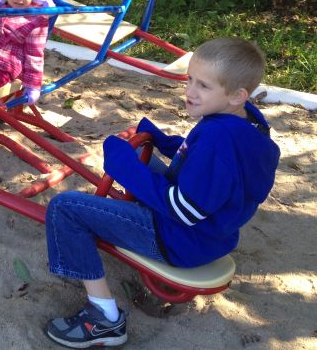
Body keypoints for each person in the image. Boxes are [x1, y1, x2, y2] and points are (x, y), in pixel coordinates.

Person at [43, 37, 280, 348]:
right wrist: (165, 142)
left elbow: (185, 210)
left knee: (65, 208)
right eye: (190, 79)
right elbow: (207, 163)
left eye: (204, 86)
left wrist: (124, 167)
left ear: (237, 95)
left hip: (178, 240)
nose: (190, 91)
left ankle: (103, 318)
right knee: (139, 156)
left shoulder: (217, 140)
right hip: (213, 236)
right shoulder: (247, 123)